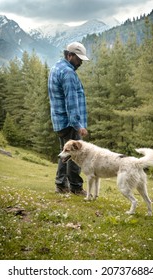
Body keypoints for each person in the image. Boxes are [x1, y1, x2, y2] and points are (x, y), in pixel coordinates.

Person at [48, 42, 89, 195]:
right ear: (69, 55)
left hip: (59, 121)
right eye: (79, 59)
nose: (81, 62)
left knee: (65, 153)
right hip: (69, 122)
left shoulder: (56, 67)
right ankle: (76, 187)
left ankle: (61, 185)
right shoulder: (68, 73)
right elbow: (71, 103)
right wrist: (78, 125)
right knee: (75, 154)